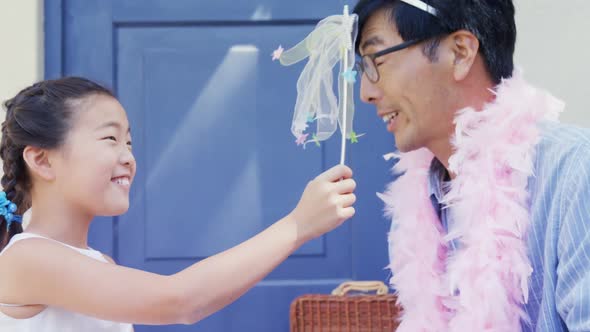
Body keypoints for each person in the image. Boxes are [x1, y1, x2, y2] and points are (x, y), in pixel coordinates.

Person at [0, 77, 357, 331]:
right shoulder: (27, 258)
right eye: (110, 138)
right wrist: (297, 226)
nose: (128, 157)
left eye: (129, 142)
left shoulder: (96, 263)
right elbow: (181, 301)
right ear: (43, 161)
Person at [352, 0, 590, 331]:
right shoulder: (416, 206)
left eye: (378, 59)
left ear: (461, 52)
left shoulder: (575, 173)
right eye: (362, 67)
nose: (366, 92)